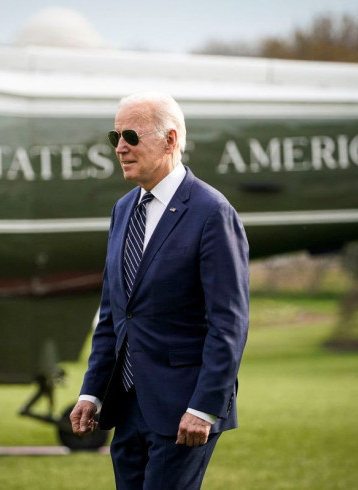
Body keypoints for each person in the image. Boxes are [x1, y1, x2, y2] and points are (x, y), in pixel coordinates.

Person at [70, 92, 249, 489]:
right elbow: (114, 315)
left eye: (131, 135)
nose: (119, 147)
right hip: (127, 406)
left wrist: (205, 407)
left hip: (185, 409)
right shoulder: (123, 210)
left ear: (170, 141)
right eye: (114, 135)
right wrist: (92, 393)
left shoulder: (212, 213)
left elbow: (229, 324)